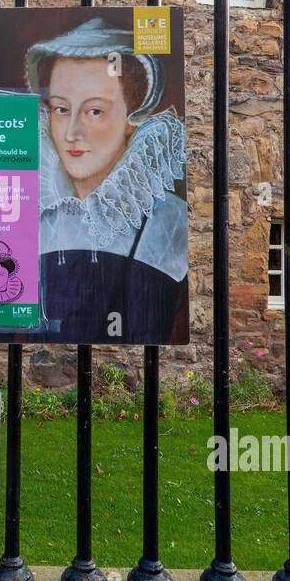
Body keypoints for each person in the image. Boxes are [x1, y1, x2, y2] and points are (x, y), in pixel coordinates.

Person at [25, 17, 188, 344]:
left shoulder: (167, 220)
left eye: (94, 111)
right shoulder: (35, 210)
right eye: (60, 109)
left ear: (132, 118)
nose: (71, 133)